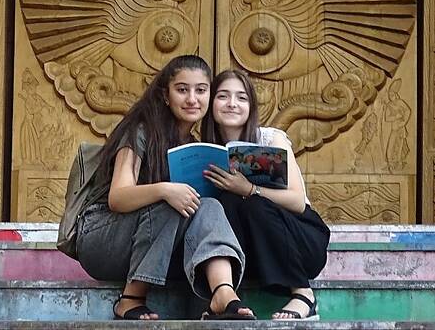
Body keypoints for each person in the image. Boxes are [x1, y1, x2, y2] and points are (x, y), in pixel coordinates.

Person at [74, 55, 256, 321]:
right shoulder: (140, 130)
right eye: (182, 90)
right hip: (102, 239)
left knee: (209, 205)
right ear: (166, 95)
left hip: (154, 247)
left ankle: (223, 293)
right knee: (170, 203)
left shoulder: (194, 144)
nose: (192, 99)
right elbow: (117, 197)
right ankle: (130, 299)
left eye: (201, 90)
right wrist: (164, 190)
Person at [201, 69, 330, 321]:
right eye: (223, 96)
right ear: (211, 104)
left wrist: (249, 190)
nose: (232, 104)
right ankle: (224, 296)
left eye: (241, 98)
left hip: (299, 240)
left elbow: (296, 202)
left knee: (253, 204)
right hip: (251, 254)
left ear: (251, 105)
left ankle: (303, 294)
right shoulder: (204, 148)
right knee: (218, 204)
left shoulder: (271, 139)